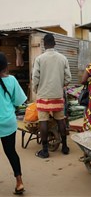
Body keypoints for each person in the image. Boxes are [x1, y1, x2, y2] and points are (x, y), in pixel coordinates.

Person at [32, 33, 72, 159]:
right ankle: (64, 147)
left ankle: (45, 150)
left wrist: (36, 89)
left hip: (43, 94)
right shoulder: (62, 58)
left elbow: (35, 77)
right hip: (57, 94)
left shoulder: (39, 59)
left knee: (43, 121)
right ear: (55, 43)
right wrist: (61, 85)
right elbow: (68, 78)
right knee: (61, 120)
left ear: (44, 44)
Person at [0, 52, 27, 195]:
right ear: (5, 66)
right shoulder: (12, 80)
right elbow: (18, 102)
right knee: (11, 152)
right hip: (8, 122)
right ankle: (19, 182)